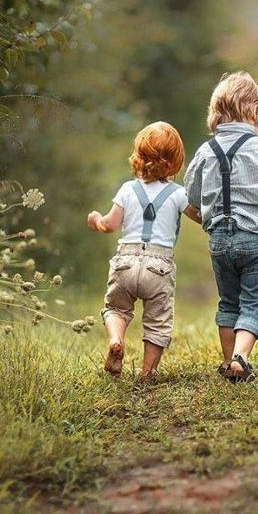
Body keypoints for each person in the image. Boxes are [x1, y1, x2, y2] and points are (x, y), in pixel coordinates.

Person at [184, 72, 258, 383]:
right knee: (254, 301)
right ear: (253, 113)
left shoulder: (205, 152)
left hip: (219, 241)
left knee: (229, 302)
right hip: (257, 242)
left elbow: (192, 197)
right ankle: (241, 356)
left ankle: (228, 362)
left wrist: (207, 219)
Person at [88, 121, 200, 379]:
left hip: (125, 262)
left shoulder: (128, 189)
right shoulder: (178, 194)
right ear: (175, 162)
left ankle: (116, 340)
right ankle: (147, 374)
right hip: (158, 268)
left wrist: (96, 220)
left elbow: (110, 225)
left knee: (116, 309)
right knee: (158, 323)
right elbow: (203, 218)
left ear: (137, 157)